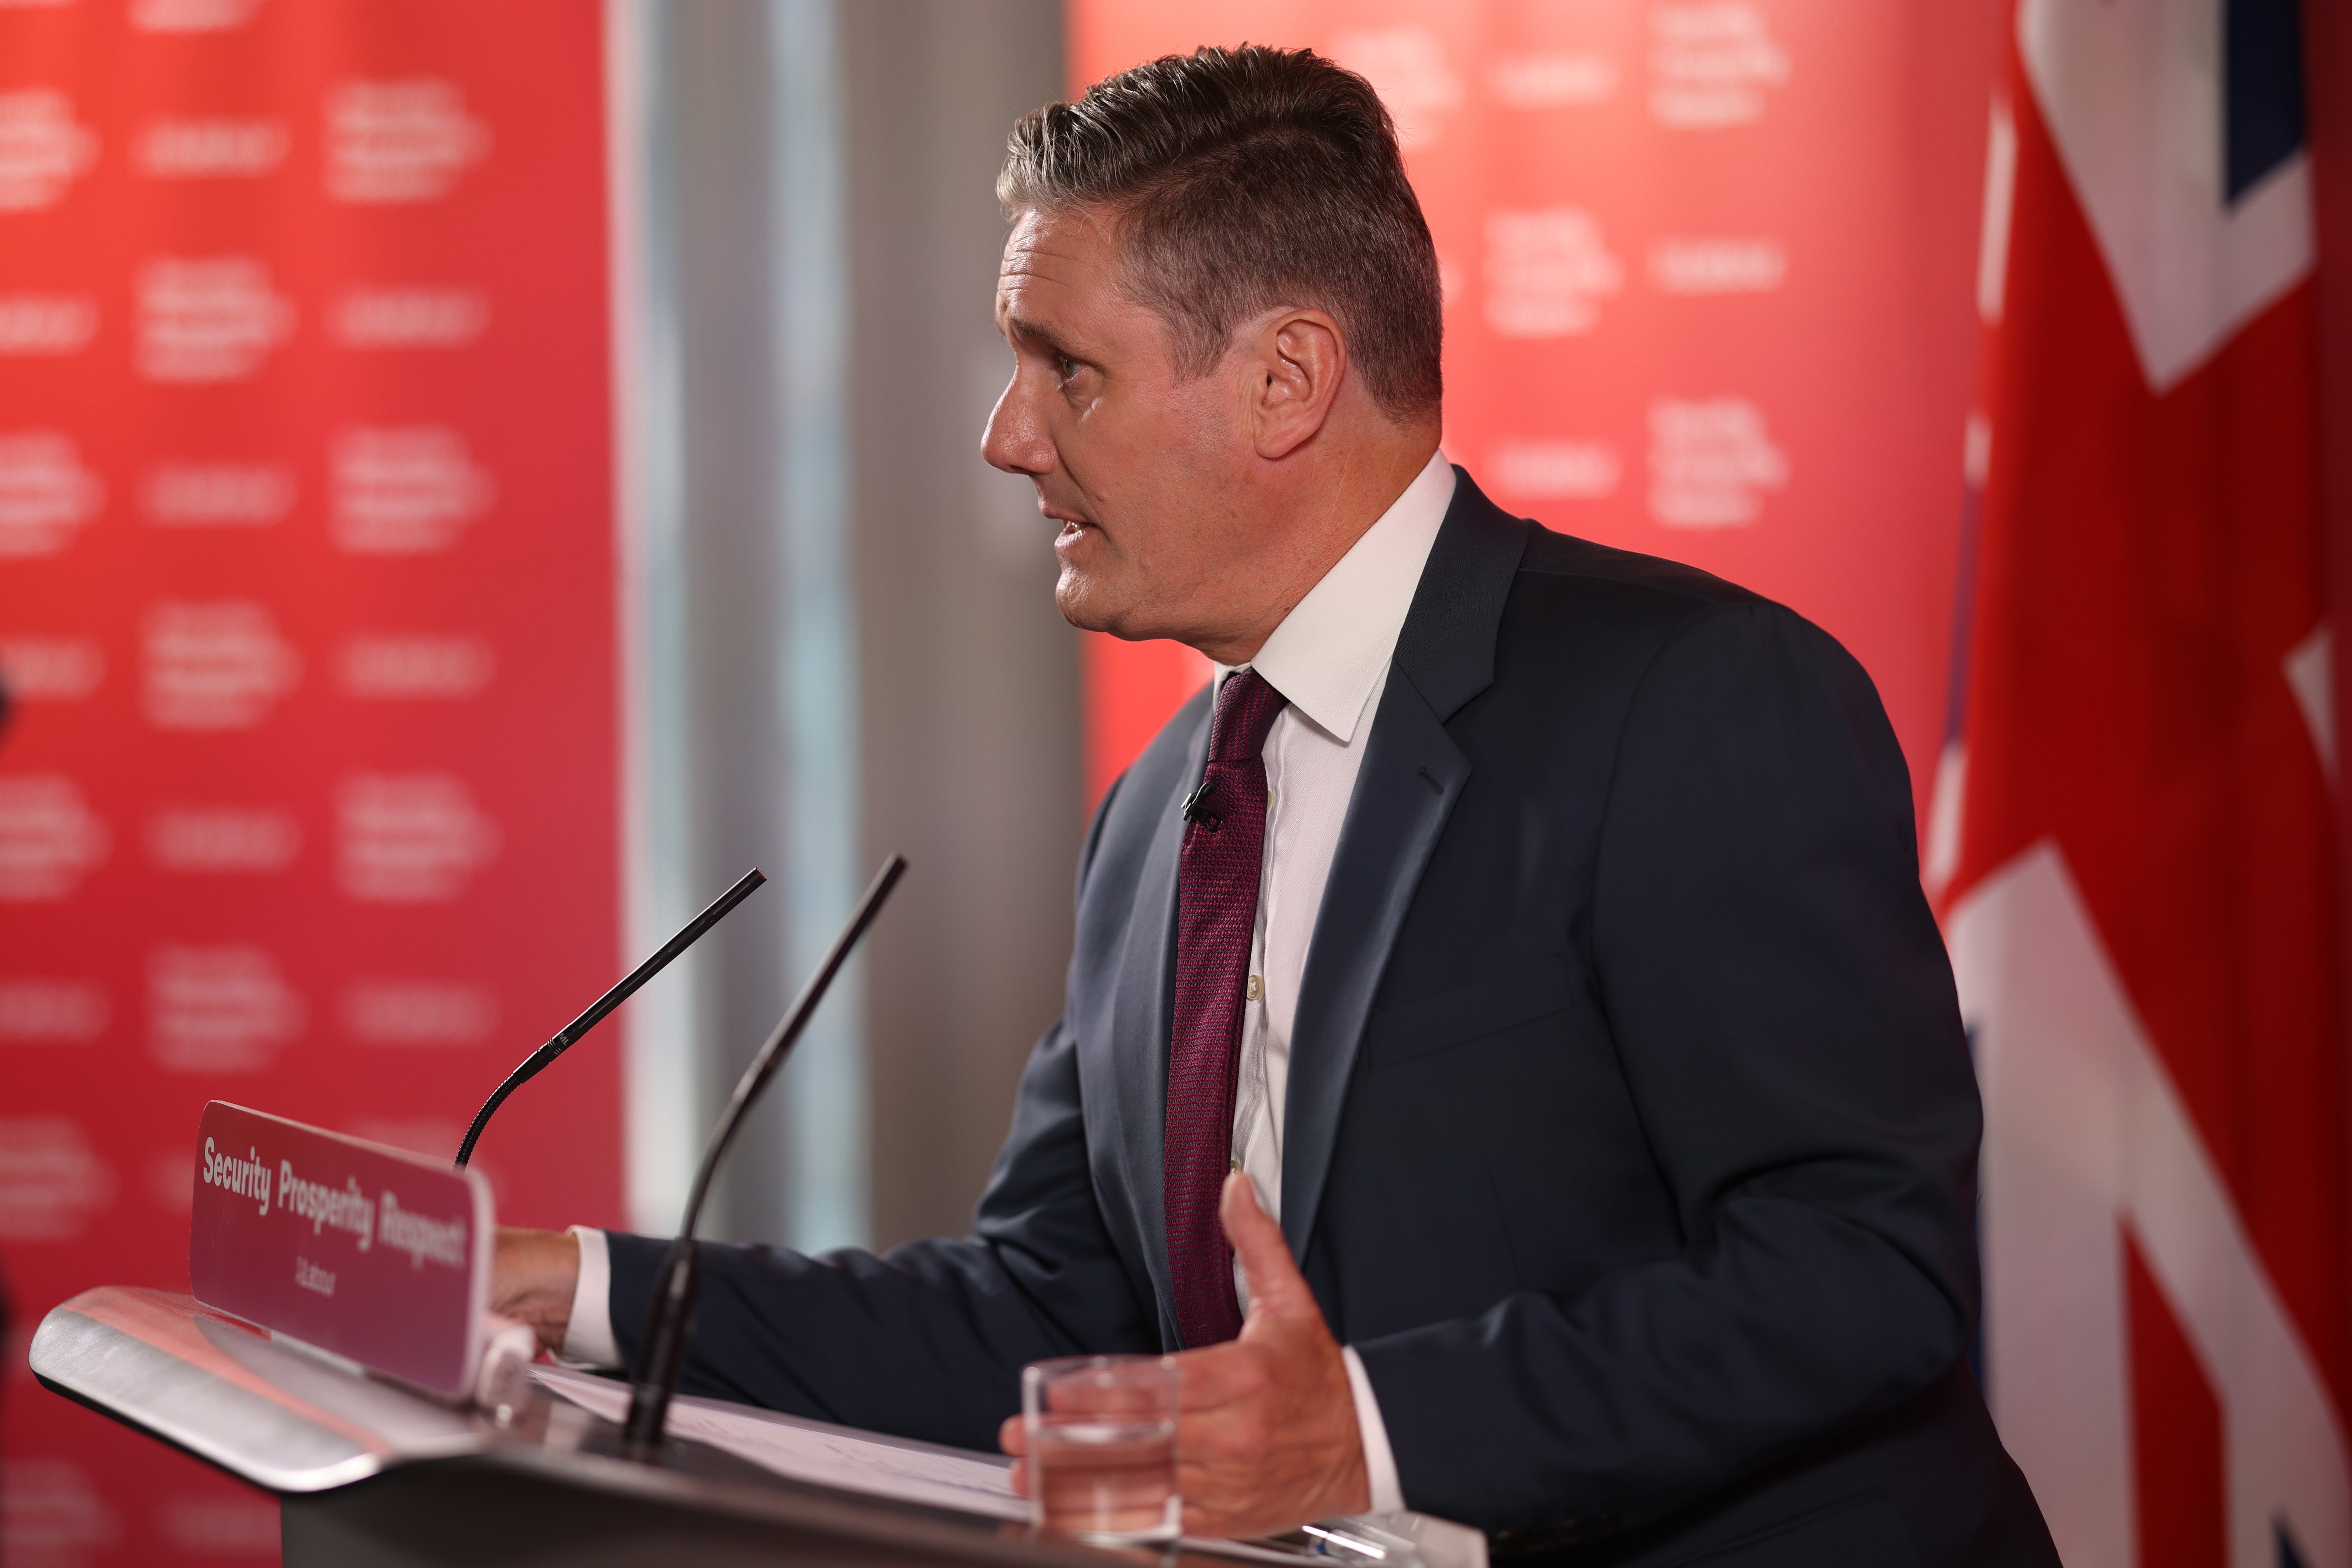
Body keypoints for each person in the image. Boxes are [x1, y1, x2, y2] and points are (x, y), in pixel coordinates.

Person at [495, 45, 2058, 1565]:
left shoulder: (1694, 701)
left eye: (1068, 369)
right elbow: (1051, 1316)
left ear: (1286, 382)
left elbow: (1862, 1267)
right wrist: (580, 1289)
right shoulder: (1160, 810)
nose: (1005, 437)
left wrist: (1367, 1431)